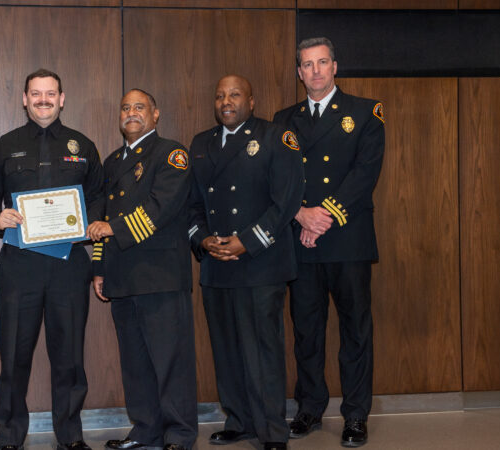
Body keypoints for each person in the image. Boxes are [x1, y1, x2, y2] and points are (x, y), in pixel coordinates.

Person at [0, 69, 103, 450]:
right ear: (24, 98)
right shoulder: (5, 145)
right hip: (20, 264)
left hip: (69, 263)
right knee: (14, 354)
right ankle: (10, 435)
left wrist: (90, 222)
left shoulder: (83, 145)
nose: (43, 100)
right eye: (36, 93)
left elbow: (98, 195)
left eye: (50, 93)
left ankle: (71, 435)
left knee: (70, 355)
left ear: (62, 99)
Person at [273, 37, 385, 448]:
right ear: (299, 72)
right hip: (301, 240)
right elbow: (278, 178)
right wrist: (301, 213)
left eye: (322, 62)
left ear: (335, 67)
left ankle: (355, 415)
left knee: (355, 331)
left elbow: (365, 173)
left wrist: (324, 216)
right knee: (307, 331)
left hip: (347, 239)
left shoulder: (365, 112)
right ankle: (309, 407)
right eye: (308, 64)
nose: (316, 70)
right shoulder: (283, 119)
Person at [188, 75, 304, 450]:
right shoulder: (201, 143)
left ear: (251, 101)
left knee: (262, 352)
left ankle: (272, 431)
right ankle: (239, 420)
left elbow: (286, 201)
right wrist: (202, 239)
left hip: (260, 263)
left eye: (235, 95)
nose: (226, 101)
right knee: (227, 350)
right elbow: (192, 203)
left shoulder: (276, 137)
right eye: (220, 95)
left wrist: (246, 242)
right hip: (217, 263)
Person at [87, 89, 197, 450]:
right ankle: (146, 430)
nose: (131, 113)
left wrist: (112, 229)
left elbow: (160, 208)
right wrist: (100, 267)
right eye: (125, 108)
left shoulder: (171, 154)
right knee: (135, 364)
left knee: (170, 361)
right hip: (122, 276)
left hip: (159, 275)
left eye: (139, 107)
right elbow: (102, 215)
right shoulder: (112, 161)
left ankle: (179, 434)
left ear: (155, 114)